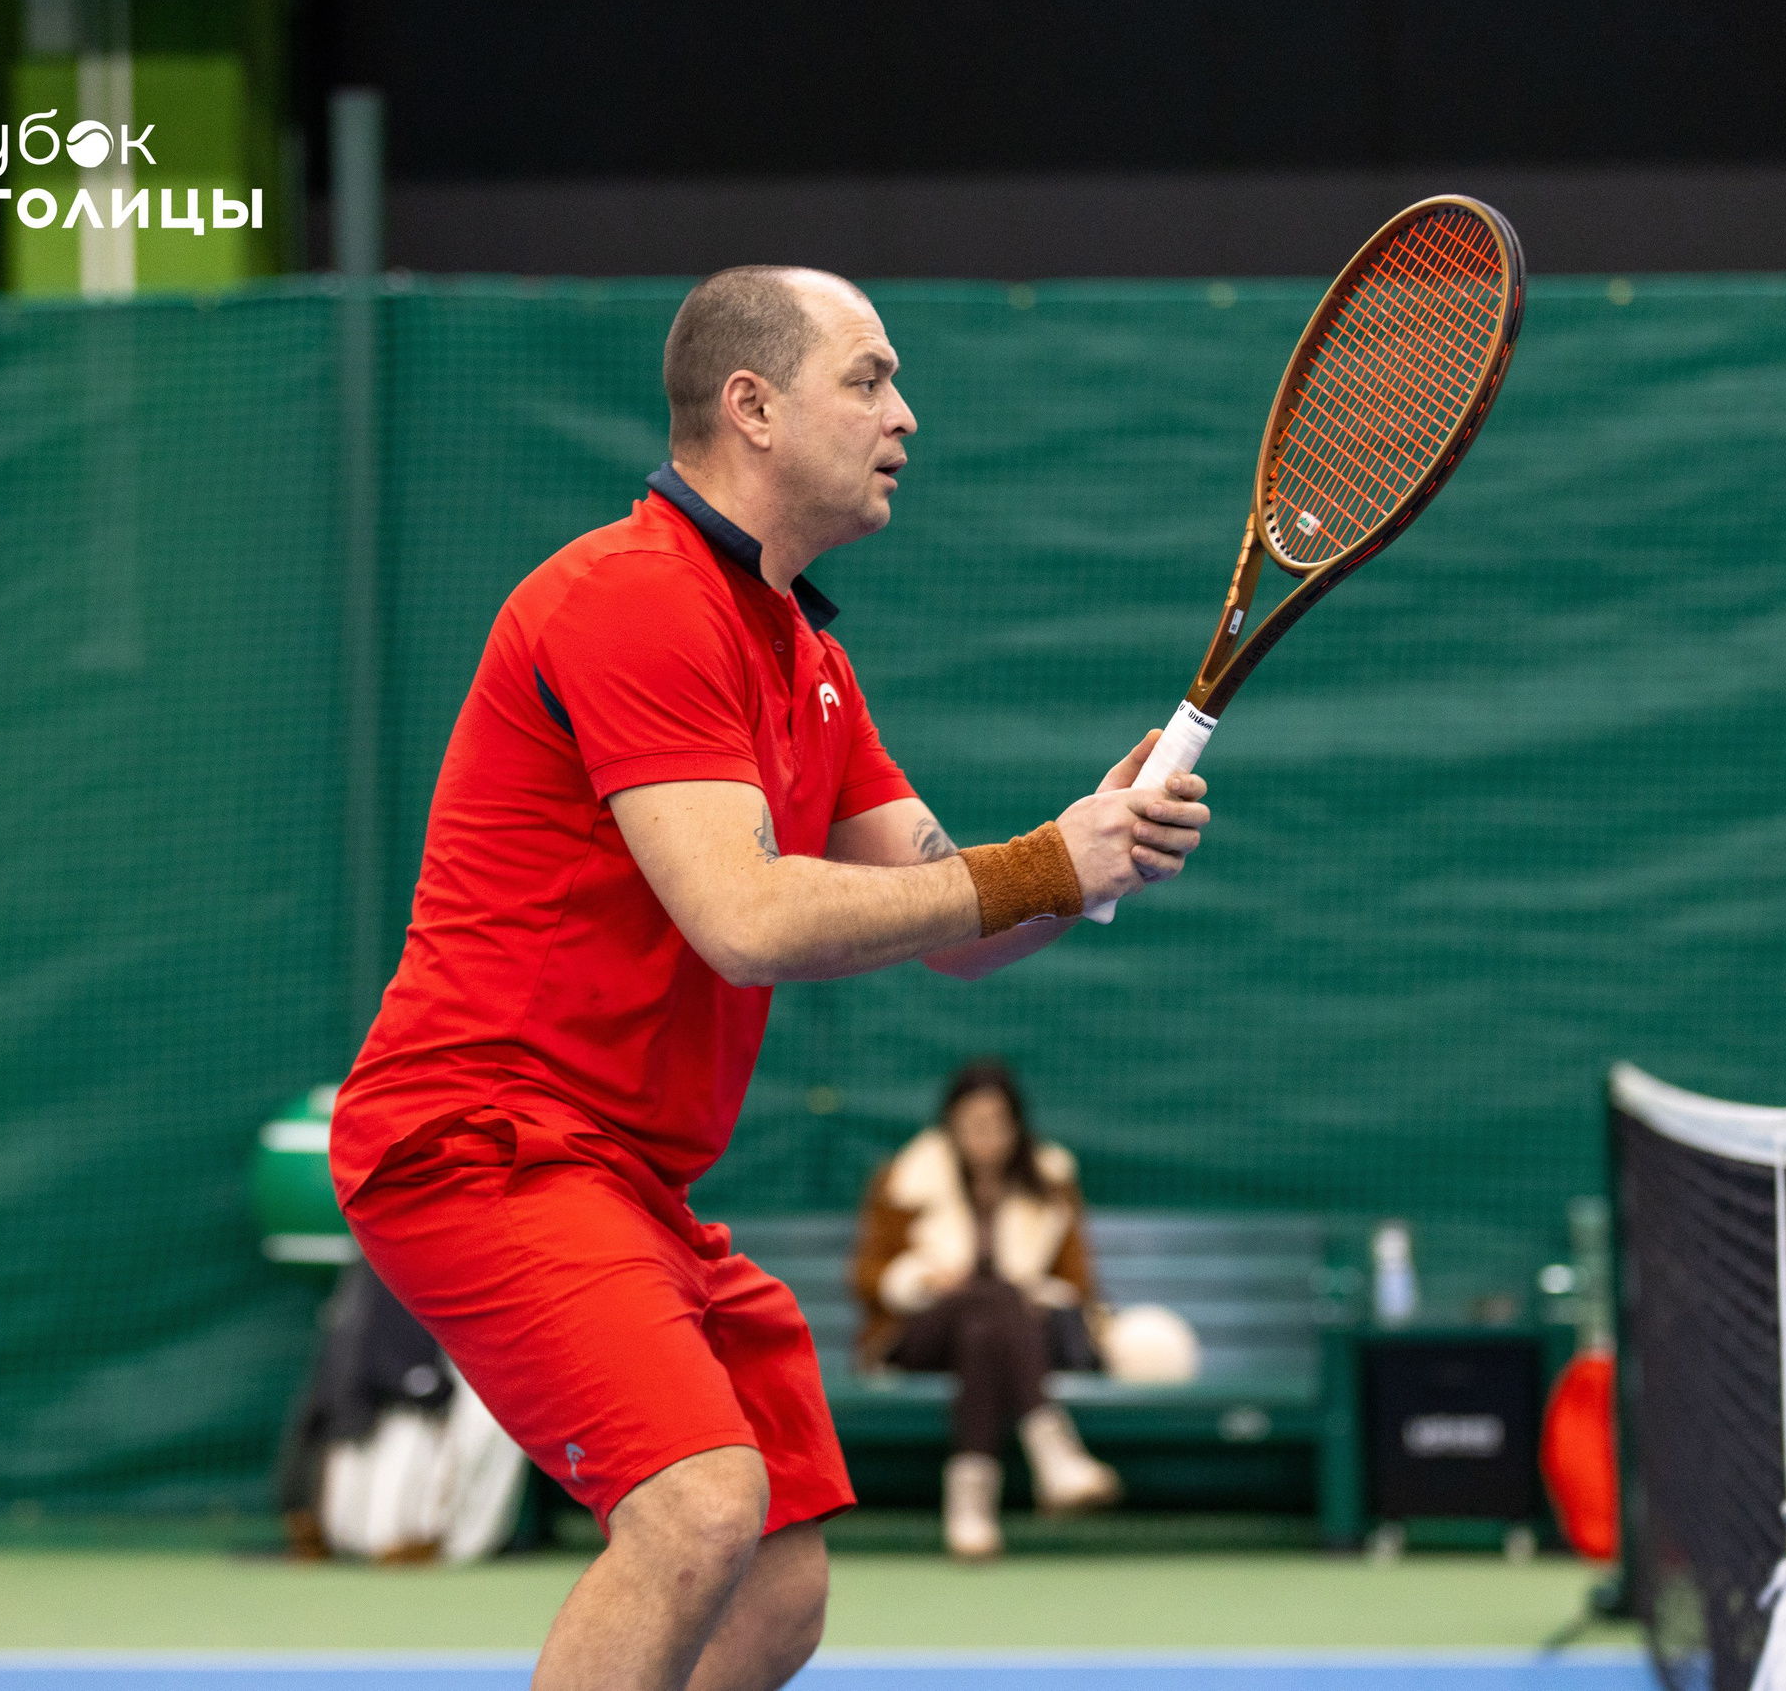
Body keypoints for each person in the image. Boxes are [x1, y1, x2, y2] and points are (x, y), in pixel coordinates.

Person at [329, 265, 1211, 1691]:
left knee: (776, 1588)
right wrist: (1045, 860)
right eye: (868, 378)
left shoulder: (803, 660)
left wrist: (1086, 857)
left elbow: (956, 924)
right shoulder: (627, 600)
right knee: (696, 1505)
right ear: (751, 406)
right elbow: (742, 917)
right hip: (481, 1138)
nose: (905, 416)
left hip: (629, 1177)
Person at [853, 1058, 1121, 1559]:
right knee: (987, 1297)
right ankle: (1053, 1452)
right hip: (919, 1336)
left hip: (1017, 1337)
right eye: (972, 1124)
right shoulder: (904, 1179)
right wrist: (922, 1278)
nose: (985, 1137)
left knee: (986, 1321)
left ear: (1017, 1127)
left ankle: (970, 1511)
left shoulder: (1051, 1181)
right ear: (951, 1125)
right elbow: (868, 1276)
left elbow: (1076, 1283)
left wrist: (1031, 1294)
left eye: (997, 1124)